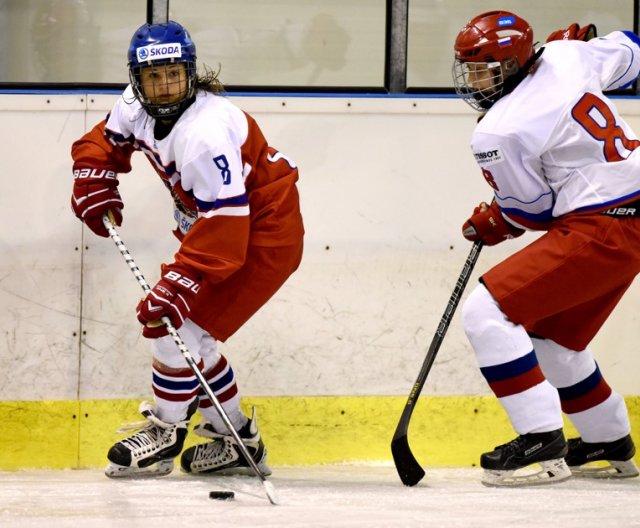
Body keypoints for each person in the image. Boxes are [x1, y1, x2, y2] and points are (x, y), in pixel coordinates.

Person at [70, 20, 304, 478]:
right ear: (138, 80)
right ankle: (235, 438)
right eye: (153, 77)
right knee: (191, 334)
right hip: (218, 224)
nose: (164, 85)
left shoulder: (205, 133)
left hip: (261, 236)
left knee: (170, 323)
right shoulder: (135, 105)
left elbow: (228, 220)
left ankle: (166, 432)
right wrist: (92, 173)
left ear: (190, 73)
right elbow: (106, 140)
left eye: (174, 74)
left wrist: (181, 278)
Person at [452, 10, 640, 487]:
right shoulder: (565, 54)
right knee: (554, 343)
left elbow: (531, 211)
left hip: (605, 222)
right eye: (469, 68)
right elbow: (633, 51)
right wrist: (583, 51)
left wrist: (495, 221)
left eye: (484, 69)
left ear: (513, 63)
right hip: (625, 217)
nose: (474, 81)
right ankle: (607, 439)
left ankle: (540, 440)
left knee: (486, 314)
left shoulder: (498, 130)